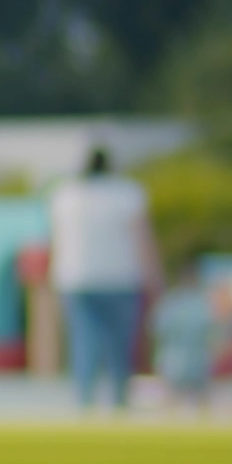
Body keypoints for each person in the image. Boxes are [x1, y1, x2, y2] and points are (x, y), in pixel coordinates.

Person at [47, 142, 157, 411]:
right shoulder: (127, 193)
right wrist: (154, 276)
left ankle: (84, 400)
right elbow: (141, 238)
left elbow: (57, 240)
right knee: (119, 344)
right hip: (119, 278)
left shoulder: (65, 195)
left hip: (76, 278)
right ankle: (119, 401)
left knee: (85, 342)